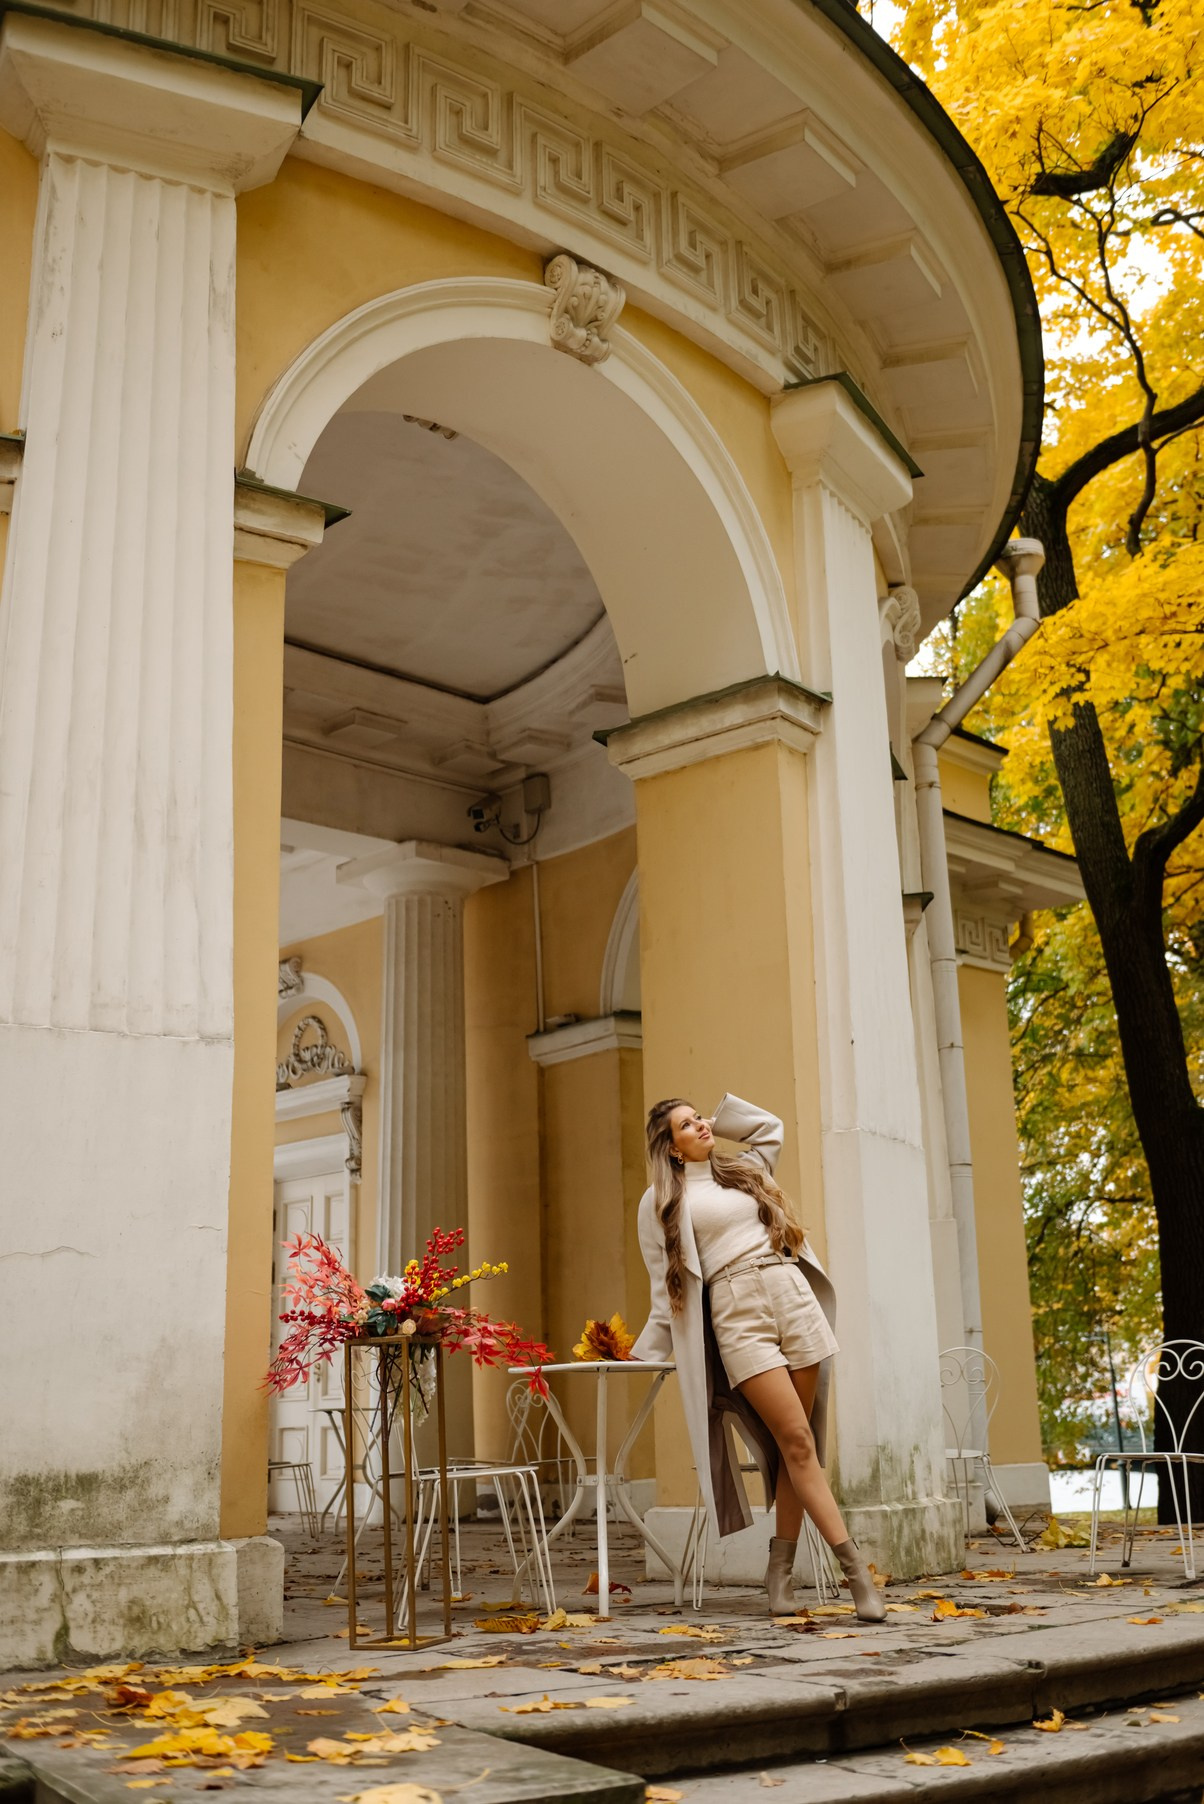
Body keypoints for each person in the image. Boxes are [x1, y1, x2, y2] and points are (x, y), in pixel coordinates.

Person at [631, 1093, 885, 1622]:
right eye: (687, 1125)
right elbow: (662, 1285)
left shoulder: (745, 1170)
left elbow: (769, 1126)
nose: (702, 1125)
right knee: (796, 1441)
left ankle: (780, 1572)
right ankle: (856, 1573)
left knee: (798, 1447)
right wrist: (643, 1353)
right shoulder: (660, 1200)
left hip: (790, 1293)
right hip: (736, 1311)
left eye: (700, 1117)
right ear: (671, 1148)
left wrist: (718, 1120)